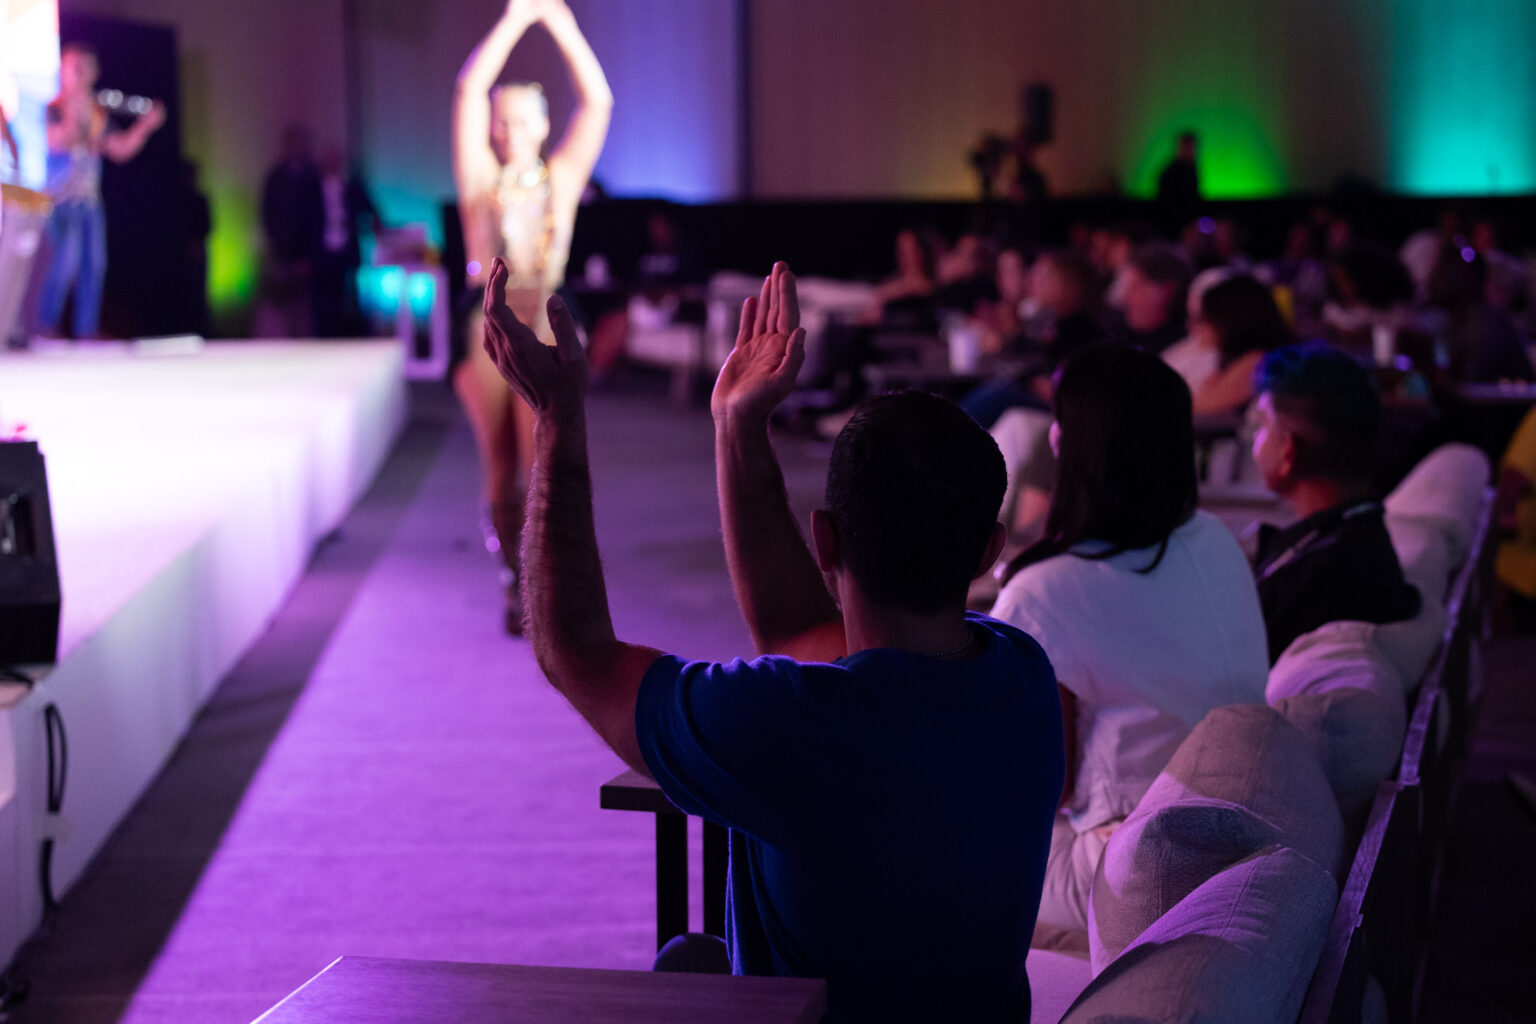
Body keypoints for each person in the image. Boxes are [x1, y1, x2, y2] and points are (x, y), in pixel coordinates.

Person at [481, 259, 1064, 1022]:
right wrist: (737, 427)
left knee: (683, 965)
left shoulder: (795, 723)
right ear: (988, 551)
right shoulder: (1025, 676)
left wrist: (556, 419)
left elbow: (577, 654)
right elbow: (797, 636)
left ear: (825, 542)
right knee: (690, 961)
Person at [990, 343, 1269, 935]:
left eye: (1061, 423)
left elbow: (1044, 788)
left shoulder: (1043, 592)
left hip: (1137, 867)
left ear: (1075, 447)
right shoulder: (1215, 538)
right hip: (1238, 828)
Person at [453, 0, 611, 634]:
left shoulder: (561, 181)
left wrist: (559, 22)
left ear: (544, 125)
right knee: (499, 468)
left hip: (543, 320)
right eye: (502, 120)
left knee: (542, 460)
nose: (509, 130)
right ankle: (512, 581)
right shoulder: (481, 182)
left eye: (522, 119)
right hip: (489, 326)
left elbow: (597, 102)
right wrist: (517, 17)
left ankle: (547, 580)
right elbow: (468, 89)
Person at [1249, 343, 1421, 662]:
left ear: (1288, 451)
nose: (1255, 440)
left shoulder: (1314, 580)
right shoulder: (1360, 539)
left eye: (1261, 425)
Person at [37, 41, 165, 339]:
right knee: (65, 260)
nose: (81, 74)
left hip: (90, 201)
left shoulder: (97, 113)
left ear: (96, 71)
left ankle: (87, 330)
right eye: (74, 67)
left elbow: (119, 149)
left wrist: (144, 126)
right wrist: (78, 111)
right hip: (60, 201)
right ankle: (46, 326)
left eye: (86, 67)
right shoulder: (54, 108)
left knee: (94, 265)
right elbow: (57, 141)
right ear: (63, 71)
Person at [257, 124, 323, 337]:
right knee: (280, 307)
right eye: (291, 142)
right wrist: (277, 249)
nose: (295, 147)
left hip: (307, 255)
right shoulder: (275, 178)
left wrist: (309, 254)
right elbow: (268, 214)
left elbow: (317, 218)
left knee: (305, 311)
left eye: (298, 142)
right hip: (281, 252)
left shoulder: (313, 178)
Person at [313, 147, 383, 338]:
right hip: (322, 255)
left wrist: (377, 226)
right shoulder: (313, 187)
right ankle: (325, 341)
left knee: (349, 301)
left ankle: (352, 339)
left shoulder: (351, 186)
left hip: (347, 252)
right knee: (323, 303)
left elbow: (370, 208)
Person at [1155, 131, 1199, 232]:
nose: (1192, 151)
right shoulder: (1170, 174)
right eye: (1188, 147)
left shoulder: (1191, 170)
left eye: (1192, 148)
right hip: (1172, 227)